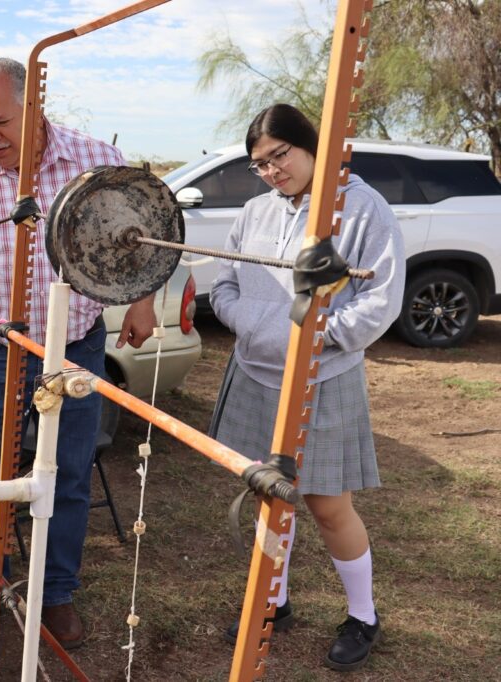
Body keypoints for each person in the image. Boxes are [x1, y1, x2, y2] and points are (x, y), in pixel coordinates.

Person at [0, 57, 156, 653]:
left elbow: (140, 234)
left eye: (0, 122)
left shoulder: (93, 160)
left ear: (34, 107)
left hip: (77, 349)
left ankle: (55, 593)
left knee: (65, 478)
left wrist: (140, 301)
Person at [209, 103, 404, 671]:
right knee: (271, 494)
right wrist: (253, 325)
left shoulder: (362, 209)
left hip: (323, 377)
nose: (271, 171)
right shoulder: (252, 211)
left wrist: (317, 337)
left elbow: (382, 300)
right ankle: (275, 601)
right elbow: (223, 283)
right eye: (259, 164)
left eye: (280, 156)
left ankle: (363, 615)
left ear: (313, 147)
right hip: (255, 372)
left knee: (326, 504)